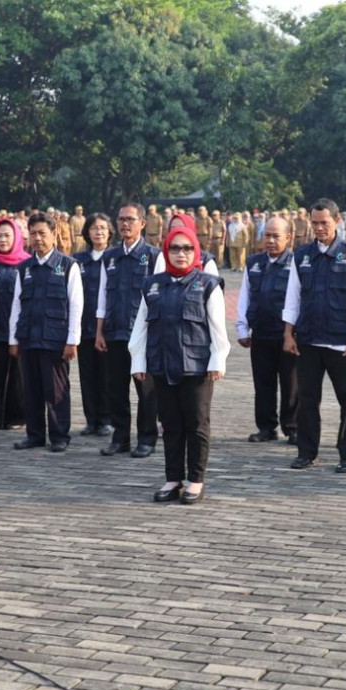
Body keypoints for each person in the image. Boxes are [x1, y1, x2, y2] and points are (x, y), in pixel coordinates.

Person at [130, 226, 229, 504]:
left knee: (196, 425)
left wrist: (217, 360)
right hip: (161, 363)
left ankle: (195, 480)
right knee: (170, 424)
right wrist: (138, 360)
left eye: (187, 248)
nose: (181, 254)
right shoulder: (152, 284)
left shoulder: (208, 284)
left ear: (195, 251)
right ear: (166, 252)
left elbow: (218, 328)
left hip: (197, 367)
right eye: (175, 248)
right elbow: (140, 327)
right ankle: (173, 478)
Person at [282, 198, 346, 473]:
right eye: (315, 223)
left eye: (325, 223)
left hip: (341, 340)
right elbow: (292, 297)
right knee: (308, 399)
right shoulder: (302, 255)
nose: (319, 228)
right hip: (308, 339)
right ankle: (307, 451)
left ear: (337, 222)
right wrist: (288, 333)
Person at [8, 213, 83, 452]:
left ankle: (60, 436)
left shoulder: (68, 266)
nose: (38, 239)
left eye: (43, 233)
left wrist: (72, 340)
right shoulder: (24, 268)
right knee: (31, 390)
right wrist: (13, 339)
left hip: (55, 338)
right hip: (28, 337)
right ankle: (35, 435)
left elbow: (76, 305)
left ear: (54, 235)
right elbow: (16, 306)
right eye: (33, 234)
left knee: (56, 390)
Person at [95, 203, 161, 458]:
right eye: (121, 219)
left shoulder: (154, 256)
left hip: (142, 335)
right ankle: (120, 437)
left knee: (146, 390)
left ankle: (146, 439)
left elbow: (159, 298)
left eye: (131, 220)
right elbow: (103, 296)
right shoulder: (110, 257)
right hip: (114, 332)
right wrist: (99, 331)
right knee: (116, 389)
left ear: (142, 223)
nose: (125, 224)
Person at [237, 215, 299, 444]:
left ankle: (293, 427)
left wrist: (293, 333)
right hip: (261, 332)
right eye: (267, 235)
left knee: (291, 384)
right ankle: (266, 427)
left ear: (288, 238)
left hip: (287, 335)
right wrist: (242, 328)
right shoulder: (253, 262)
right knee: (263, 383)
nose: (271, 240)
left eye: (276, 236)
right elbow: (245, 296)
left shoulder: (297, 263)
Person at [0, 217, 30, 430]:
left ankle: (21, 417)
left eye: (7, 235)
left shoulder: (27, 264)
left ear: (16, 238)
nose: (3, 239)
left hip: (21, 330)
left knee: (20, 378)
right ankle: (2, 418)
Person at [75, 214, 114, 436]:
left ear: (110, 231)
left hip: (109, 328)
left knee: (107, 375)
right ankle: (91, 419)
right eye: (93, 228)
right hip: (83, 326)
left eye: (102, 228)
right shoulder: (78, 260)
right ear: (87, 232)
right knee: (87, 375)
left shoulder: (116, 258)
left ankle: (107, 418)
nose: (98, 232)